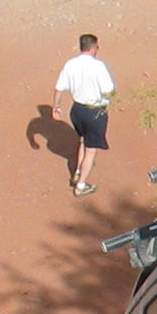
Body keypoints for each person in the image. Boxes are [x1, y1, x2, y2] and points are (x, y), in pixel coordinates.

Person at [52, 33, 114, 196]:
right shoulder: (99, 66)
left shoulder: (70, 64)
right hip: (95, 112)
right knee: (91, 150)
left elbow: (59, 88)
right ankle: (81, 186)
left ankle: (78, 171)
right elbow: (108, 90)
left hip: (77, 110)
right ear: (93, 48)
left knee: (83, 140)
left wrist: (56, 106)